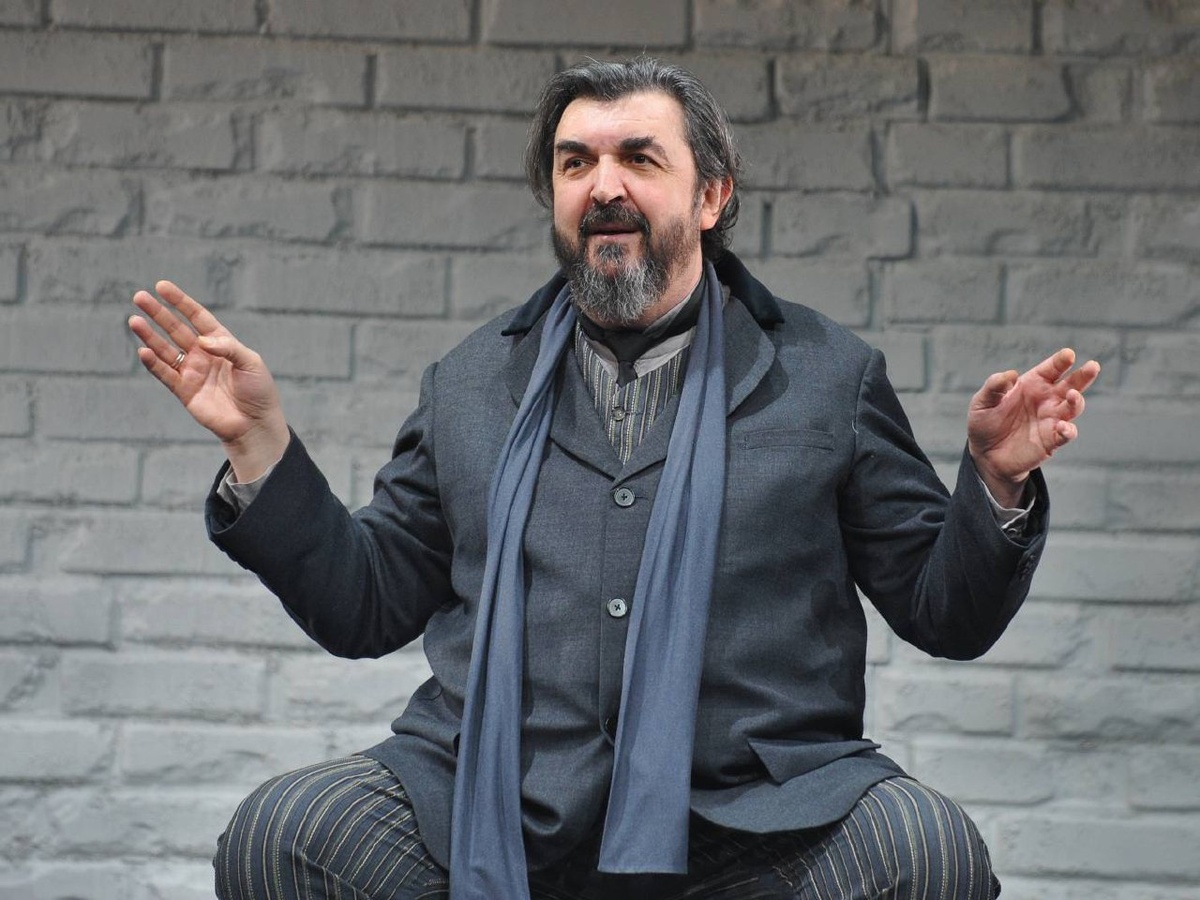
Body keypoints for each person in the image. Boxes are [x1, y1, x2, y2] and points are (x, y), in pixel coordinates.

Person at [129, 58, 1099, 900]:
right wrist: (260, 444)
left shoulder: (825, 377)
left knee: (923, 854)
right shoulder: (471, 381)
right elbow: (366, 603)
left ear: (711, 196)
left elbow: (944, 613)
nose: (603, 186)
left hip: (752, 817)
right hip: (493, 801)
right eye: (575, 163)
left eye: (639, 157)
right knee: (286, 834)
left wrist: (993, 483)